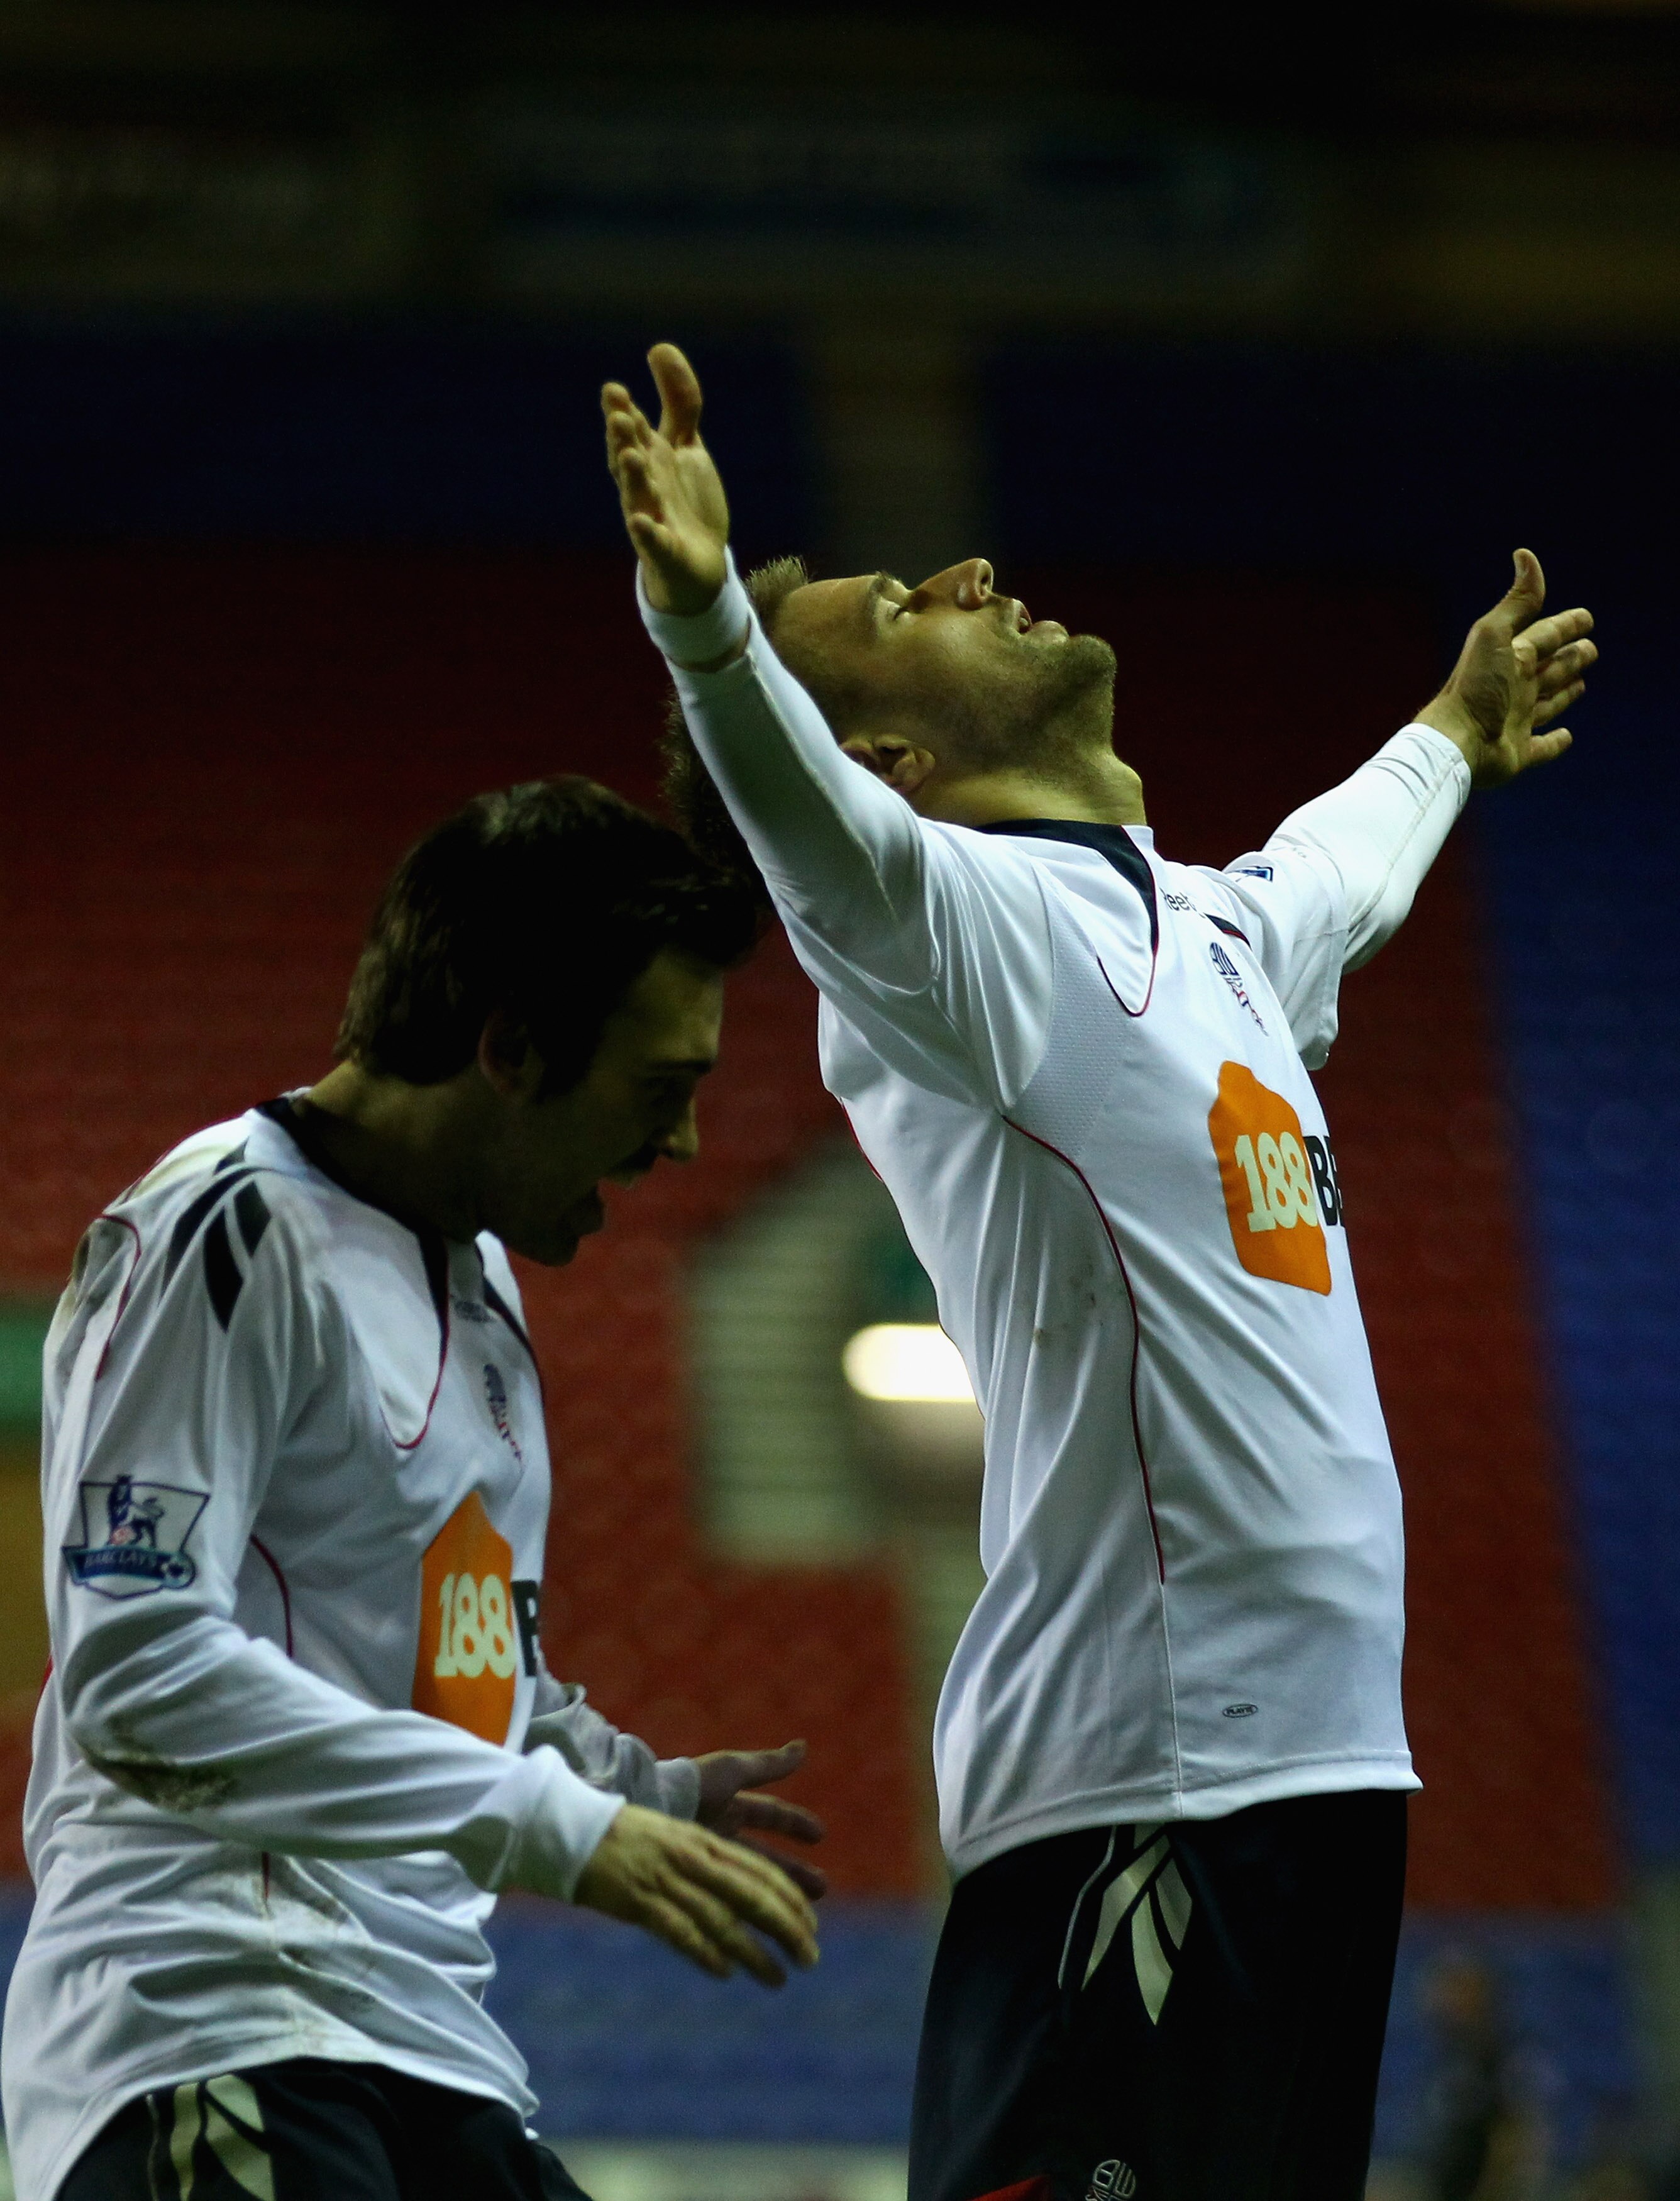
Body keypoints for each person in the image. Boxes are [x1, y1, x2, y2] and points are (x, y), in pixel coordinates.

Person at [604, 344, 1596, 2201]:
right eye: (904, 604)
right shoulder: (950, 948)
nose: (968, 574)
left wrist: (1449, 731)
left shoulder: (1209, 930)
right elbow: (811, 843)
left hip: (1316, 1769)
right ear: (884, 762)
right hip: (1147, 1780)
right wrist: (709, 629)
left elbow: (1336, 875)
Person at [4, 776, 825, 2201]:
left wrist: (628, 1787)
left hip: (427, 2046)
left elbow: (452, 1661)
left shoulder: (482, 1275)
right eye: (660, 1089)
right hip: (210, 2023)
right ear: (509, 1047)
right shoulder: (226, 1230)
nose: (682, 1144)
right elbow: (134, 1677)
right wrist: (559, 1827)